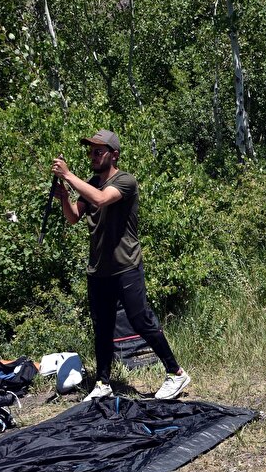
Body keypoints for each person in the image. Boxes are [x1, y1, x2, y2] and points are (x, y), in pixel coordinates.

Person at [52, 129, 190, 401]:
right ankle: (103, 382)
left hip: (126, 265)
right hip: (99, 270)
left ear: (113, 155)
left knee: (141, 320)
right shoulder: (92, 182)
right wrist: (64, 197)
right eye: (91, 151)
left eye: (98, 151)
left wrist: (68, 175)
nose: (93, 156)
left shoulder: (125, 181)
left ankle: (176, 372)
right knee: (102, 327)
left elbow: (102, 199)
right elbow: (73, 218)